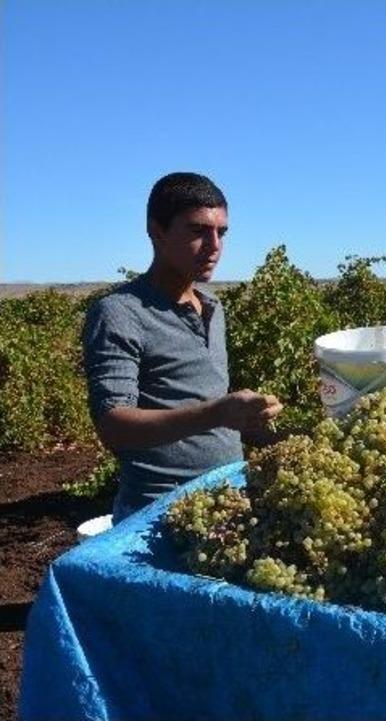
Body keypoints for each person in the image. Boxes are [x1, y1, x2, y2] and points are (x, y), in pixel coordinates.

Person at [82, 172, 283, 523]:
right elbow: (113, 426)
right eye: (198, 231)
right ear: (156, 231)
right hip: (157, 512)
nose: (214, 245)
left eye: (221, 232)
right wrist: (218, 413)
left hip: (227, 498)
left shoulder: (213, 308)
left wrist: (254, 424)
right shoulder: (120, 313)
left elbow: (201, 400)